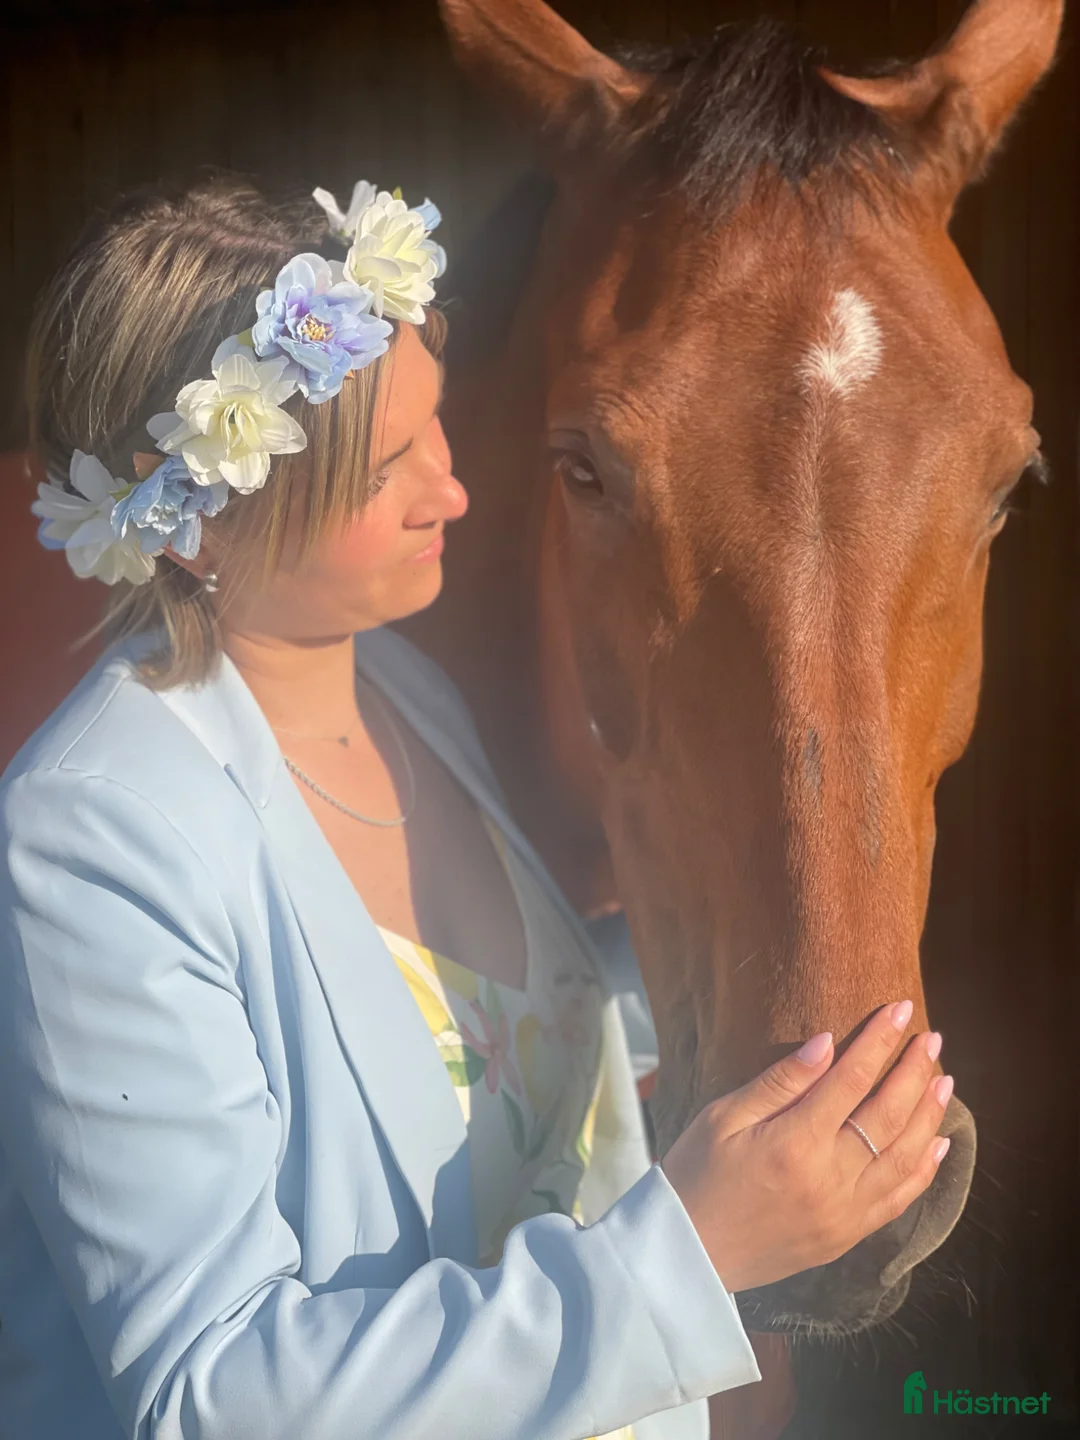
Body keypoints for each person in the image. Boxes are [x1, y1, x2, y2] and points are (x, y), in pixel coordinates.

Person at [0, 176, 952, 1440]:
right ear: (197, 528)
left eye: (435, 430)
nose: (449, 492)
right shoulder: (93, 838)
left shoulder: (409, 693)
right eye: (385, 468)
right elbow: (209, 1398)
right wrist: (694, 1247)